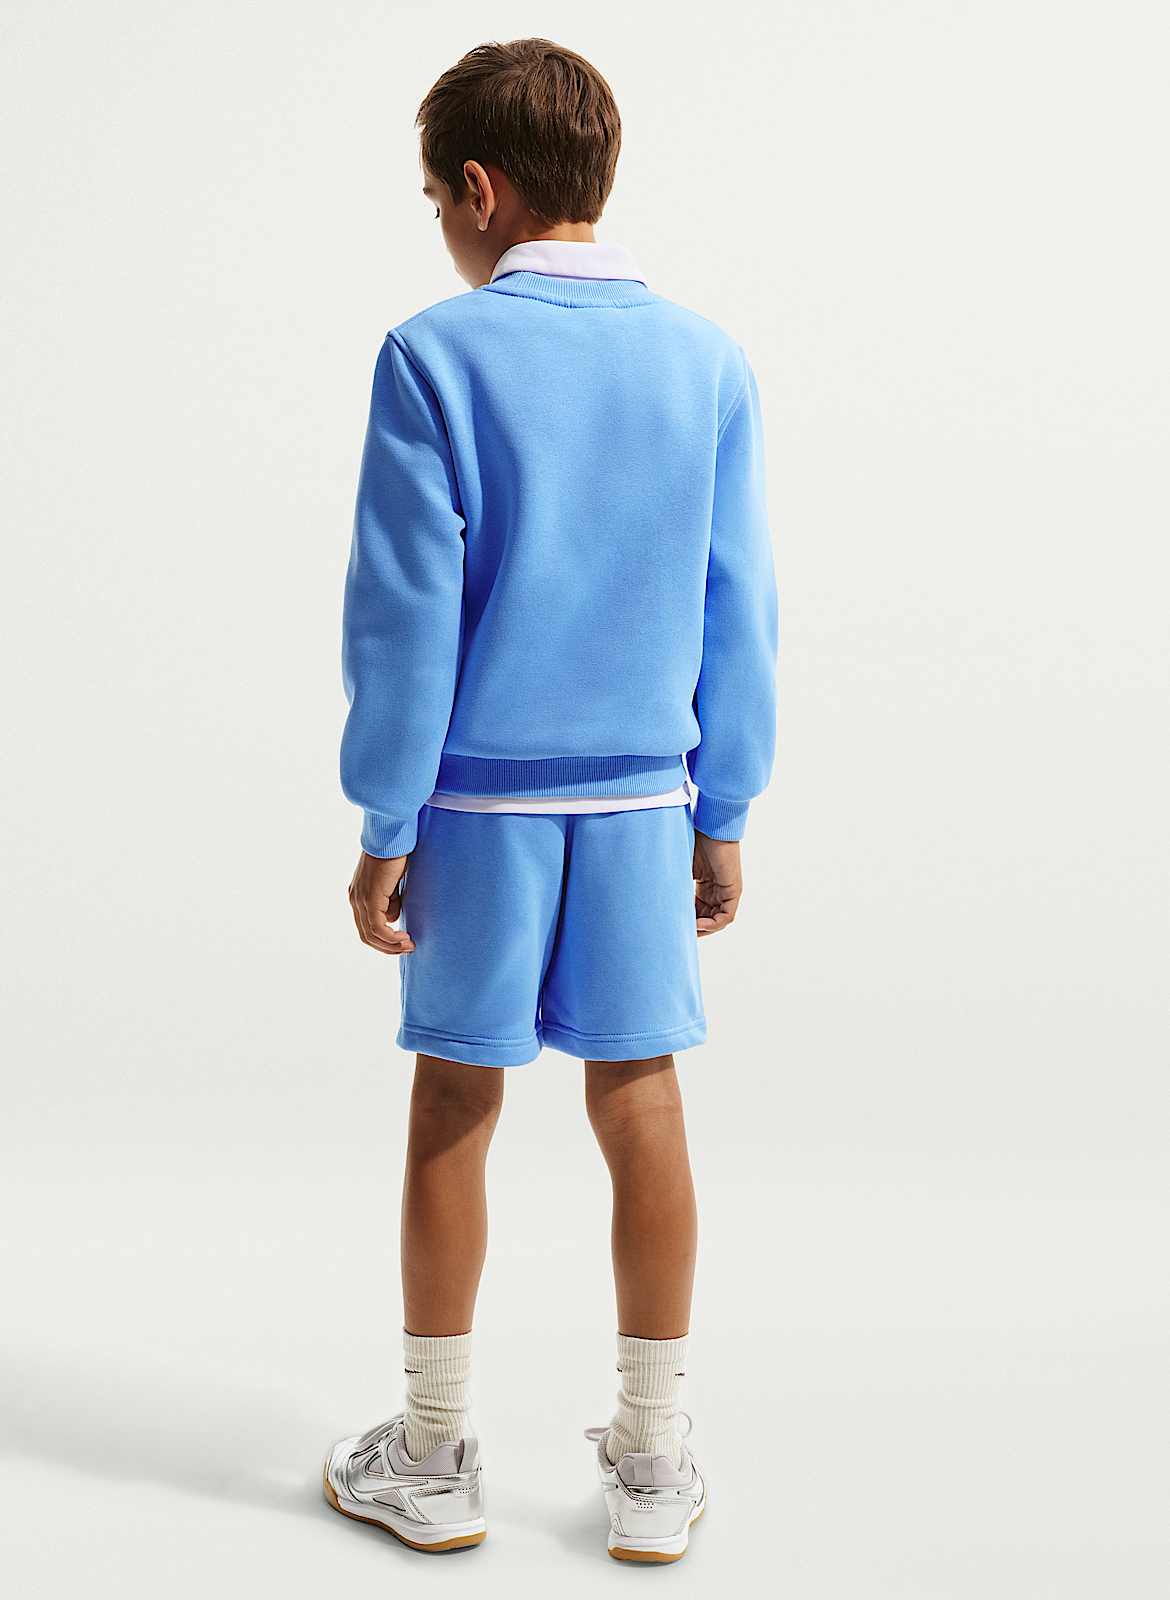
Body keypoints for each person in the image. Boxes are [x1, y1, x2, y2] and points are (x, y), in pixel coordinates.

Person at [325, 37, 777, 1564]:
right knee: (641, 1100)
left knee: (455, 1101)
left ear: (478, 188)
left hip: (479, 811)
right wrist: (725, 805)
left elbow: (404, 618)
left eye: (436, 204)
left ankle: (433, 1452)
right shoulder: (707, 361)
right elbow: (739, 607)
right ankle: (652, 1461)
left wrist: (386, 823)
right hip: (645, 803)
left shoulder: (433, 357)